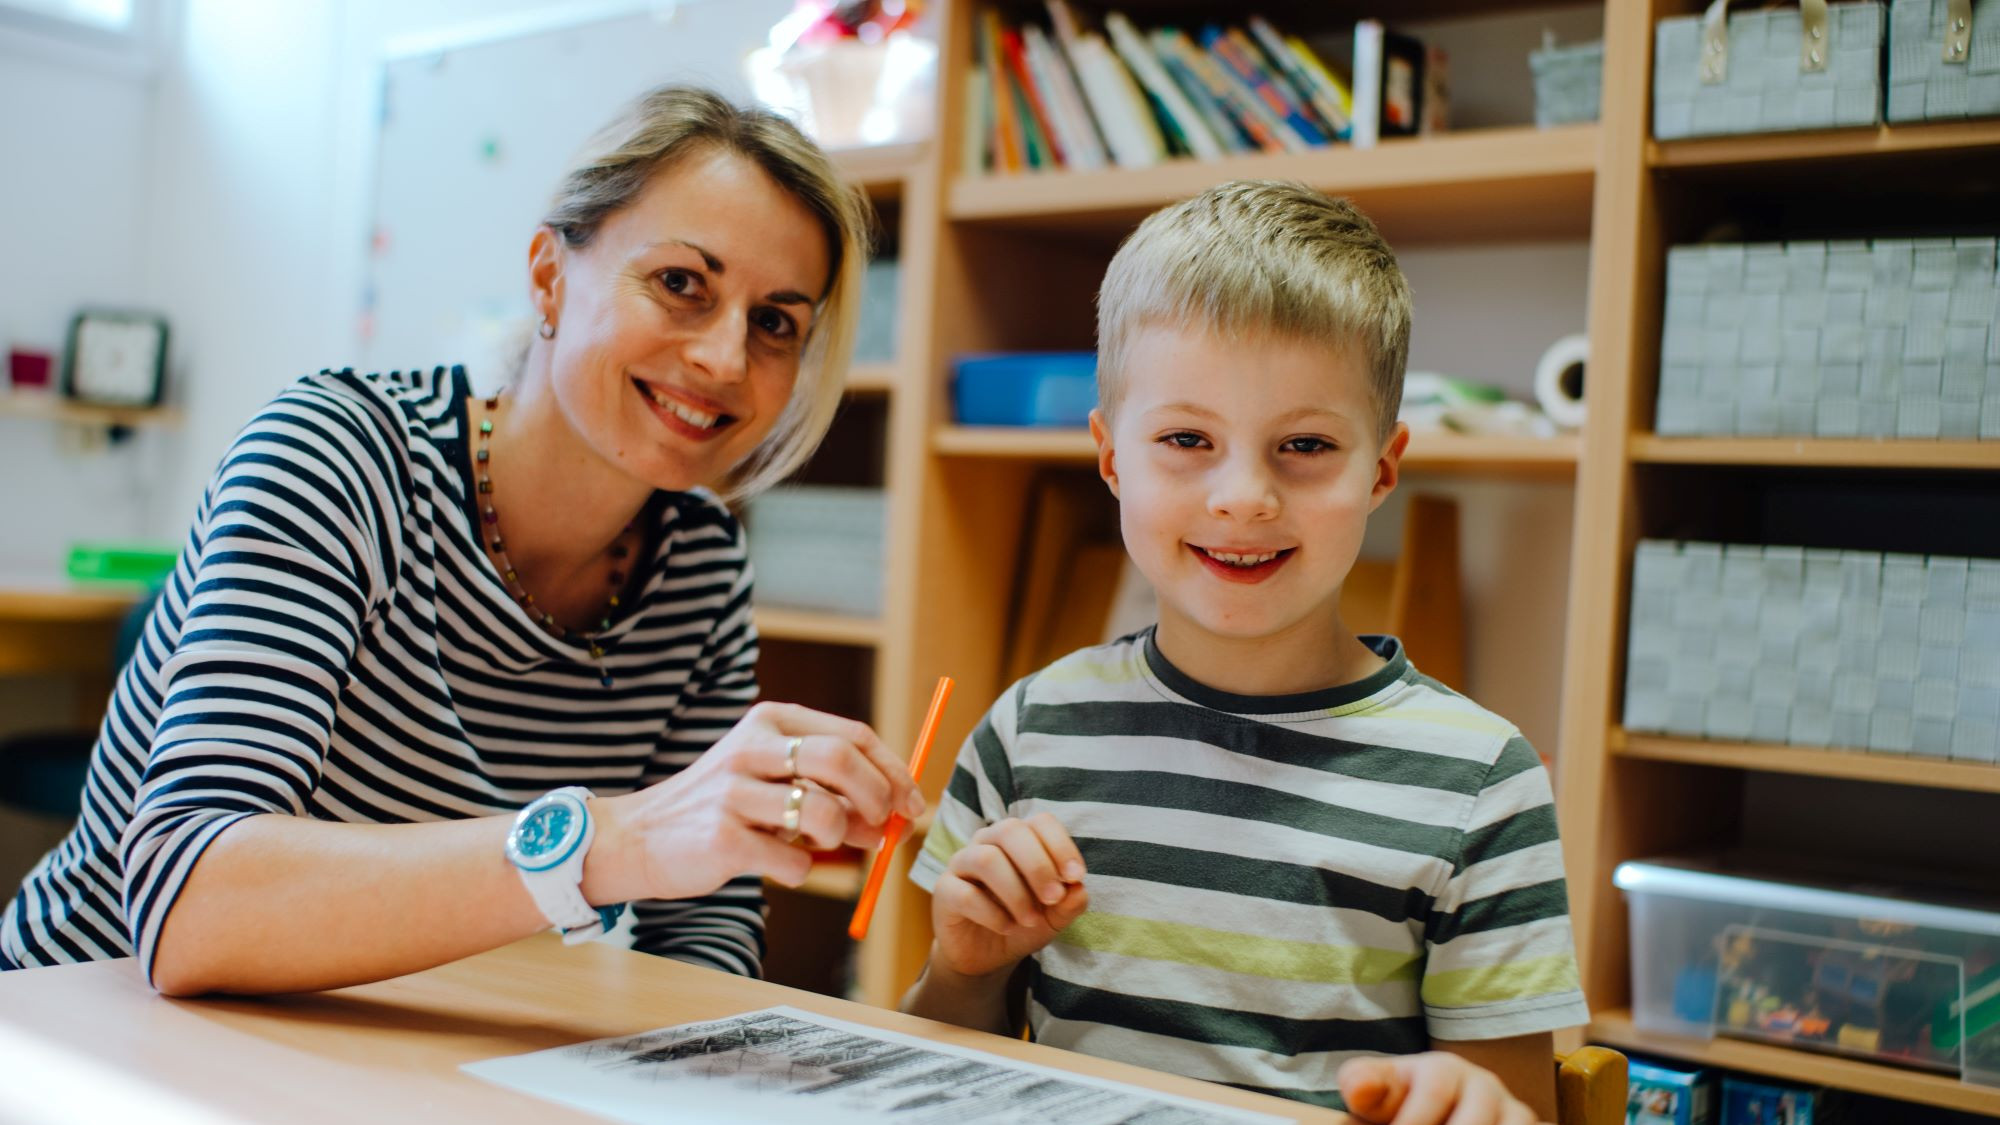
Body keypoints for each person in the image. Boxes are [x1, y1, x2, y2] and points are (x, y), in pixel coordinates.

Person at [0, 85, 924, 995]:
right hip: (87, 1026)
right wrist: (613, 840)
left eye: (774, 323)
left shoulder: (701, 567)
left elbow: (705, 940)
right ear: (550, 276)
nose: (725, 359)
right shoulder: (336, 458)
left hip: (379, 1055)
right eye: (682, 283)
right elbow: (190, 904)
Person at [901, 181, 1589, 1124]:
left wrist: (1473, 1102)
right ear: (1110, 457)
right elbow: (934, 1068)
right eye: (1187, 438)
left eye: (1303, 444)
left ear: (1381, 469)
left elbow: (1516, 1107)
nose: (1244, 496)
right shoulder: (1030, 731)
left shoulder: (1480, 781)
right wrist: (965, 966)